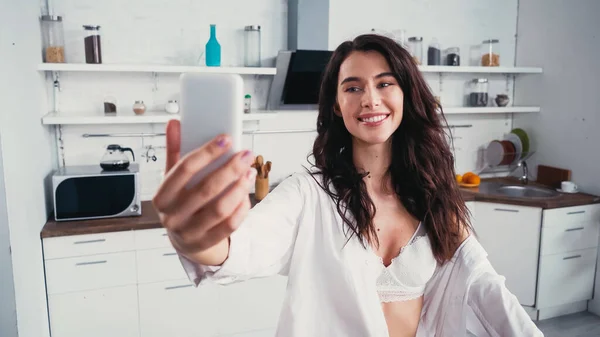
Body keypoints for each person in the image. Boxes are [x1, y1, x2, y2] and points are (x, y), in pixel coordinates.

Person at [152, 34, 543, 337]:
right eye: (353, 87)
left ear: (406, 94)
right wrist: (197, 238)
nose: (370, 99)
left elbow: (484, 285)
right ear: (338, 105)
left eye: (385, 84)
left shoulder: (434, 196)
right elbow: (242, 247)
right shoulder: (310, 194)